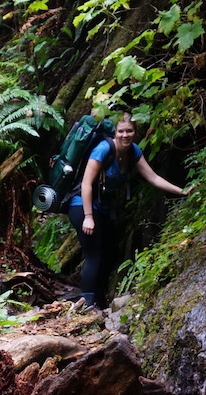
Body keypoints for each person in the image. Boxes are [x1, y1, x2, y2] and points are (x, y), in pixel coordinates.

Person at [66, 112, 193, 310]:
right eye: (121, 131)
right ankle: (87, 302)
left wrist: (182, 191)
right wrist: (89, 217)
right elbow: (87, 185)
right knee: (94, 253)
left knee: (111, 252)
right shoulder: (103, 149)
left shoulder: (133, 151)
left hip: (103, 207)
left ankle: (99, 300)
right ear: (115, 133)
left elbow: (153, 178)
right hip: (82, 205)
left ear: (135, 132)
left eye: (129, 131)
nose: (125, 135)